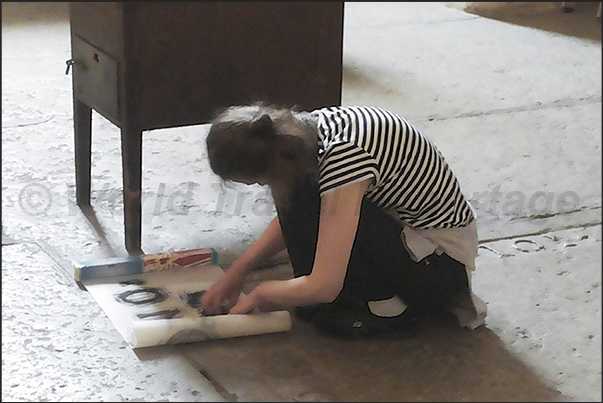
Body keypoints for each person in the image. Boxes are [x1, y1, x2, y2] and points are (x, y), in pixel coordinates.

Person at [200, 103, 487, 339]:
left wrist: (263, 293)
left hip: (438, 271)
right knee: (302, 192)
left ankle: (389, 310)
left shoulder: (344, 157)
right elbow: (293, 214)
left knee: (314, 200)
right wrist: (239, 270)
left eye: (260, 180)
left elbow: (325, 286)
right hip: (411, 244)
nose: (263, 186)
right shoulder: (300, 134)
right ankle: (355, 297)